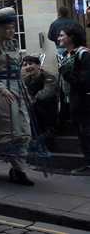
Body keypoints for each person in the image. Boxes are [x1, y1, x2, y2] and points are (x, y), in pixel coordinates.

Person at [0, 7, 34, 186]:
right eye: (7, 28)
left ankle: (18, 170)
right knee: (6, 133)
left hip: (18, 91)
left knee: (25, 132)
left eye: (13, 27)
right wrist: (1, 89)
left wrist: (23, 72)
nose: (11, 31)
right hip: (4, 94)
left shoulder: (14, 45)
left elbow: (14, 70)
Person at [57, 25, 90, 176]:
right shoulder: (64, 55)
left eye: (62, 35)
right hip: (72, 100)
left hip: (84, 100)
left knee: (86, 133)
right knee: (81, 134)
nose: (59, 38)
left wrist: (65, 71)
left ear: (71, 37)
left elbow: (84, 80)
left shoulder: (83, 54)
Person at [22, 56, 58, 138]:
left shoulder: (49, 77)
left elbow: (46, 93)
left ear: (38, 65)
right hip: (35, 105)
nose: (28, 67)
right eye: (25, 65)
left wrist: (33, 101)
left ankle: (51, 129)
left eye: (31, 64)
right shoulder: (27, 80)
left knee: (46, 100)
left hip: (50, 105)